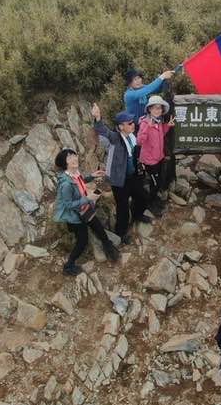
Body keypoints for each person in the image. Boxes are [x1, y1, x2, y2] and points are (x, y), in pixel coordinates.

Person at [91, 103, 152, 244]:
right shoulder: (116, 138)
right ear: (120, 126)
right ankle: (121, 232)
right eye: (129, 123)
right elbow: (103, 130)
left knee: (142, 197)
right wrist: (98, 118)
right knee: (122, 207)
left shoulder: (132, 136)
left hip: (133, 176)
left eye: (133, 122)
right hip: (120, 180)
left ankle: (137, 215)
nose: (133, 124)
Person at [54, 148, 119, 276]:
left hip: (85, 209)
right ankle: (68, 266)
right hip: (75, 217)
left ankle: (108, 247)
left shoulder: (75, 173)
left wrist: (92, 176)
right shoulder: (65, 184)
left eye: (74, 155)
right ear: (65, 163)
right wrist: (87, 198)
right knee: (82, 241)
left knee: (98, 226)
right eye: (69, 157)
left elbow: (80, 181)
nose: (74, 158)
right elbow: (67, 205)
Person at [136, 95, 174, 216]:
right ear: (150, 109)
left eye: (160, 108)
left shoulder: (159, 121)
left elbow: (160, 133)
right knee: (155, 182)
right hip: (149, 160)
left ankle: (153, 200)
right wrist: (148, 127)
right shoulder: (145, 122)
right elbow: (139, 141)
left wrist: (168, 126)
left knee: (157, 182)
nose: (158, 110)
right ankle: (150, 204)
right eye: (155, 108)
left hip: (158, 157)